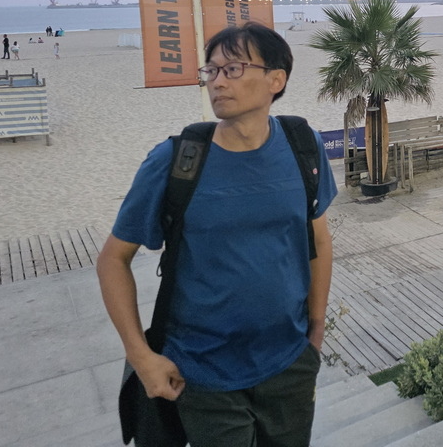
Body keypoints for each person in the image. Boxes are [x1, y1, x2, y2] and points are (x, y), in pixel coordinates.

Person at [97, 22, 337, 447]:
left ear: (276, 80)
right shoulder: (176, 160)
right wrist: (141, 357)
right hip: (203, 374)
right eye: (211, 70)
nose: (217, 81)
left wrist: (314, 333)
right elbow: (113, 260)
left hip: (289, 363)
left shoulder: (304, 146)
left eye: (233, 69)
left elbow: (318, 239)